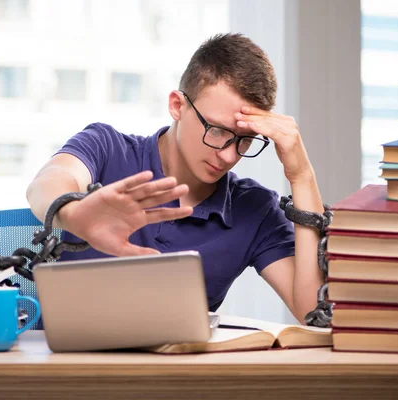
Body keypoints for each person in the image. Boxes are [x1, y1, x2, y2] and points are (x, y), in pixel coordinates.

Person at [26, 33, 324, 324]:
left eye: (245, 140)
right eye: (217, 131)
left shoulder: (254, 208)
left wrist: (301, 176)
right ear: (177, 106)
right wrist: (74, 214)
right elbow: (47, 183)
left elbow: (313, 313)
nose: (230, 156)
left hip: (178, 372)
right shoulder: (107, 147)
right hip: (71, 366)